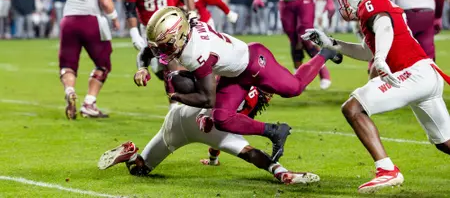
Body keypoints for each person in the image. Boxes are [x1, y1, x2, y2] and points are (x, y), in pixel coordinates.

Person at [302, 0, 450, 193]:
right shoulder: (377, 5)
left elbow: (384, 26)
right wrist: (329, 42)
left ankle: (386, 170)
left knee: (353, 108)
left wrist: (381, 59)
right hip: (424, 74)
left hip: (413, 74)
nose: (344, 1)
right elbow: (366, 51)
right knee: (445, 142)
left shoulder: (371, 4)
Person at [137, 6, 342, 163]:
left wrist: (177, 97)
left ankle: (326, 52)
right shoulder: (184, 28)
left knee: (295, 88)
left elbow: (208, 99)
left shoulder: (195, 52)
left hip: (254, 62)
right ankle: (274, 131)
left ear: (179, 35)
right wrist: (142, 68)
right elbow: (148, 51)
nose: (162, 52)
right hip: (233, 72)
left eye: (166, 46)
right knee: (222, 119)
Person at [98, 79, 320, 185]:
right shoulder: (252, 95)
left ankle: (132, 154)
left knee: (141, 169)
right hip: (209, 125)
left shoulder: (233, 73)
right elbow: (228, 121)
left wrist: (213, 159)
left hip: (180, 116)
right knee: (248, 151)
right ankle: (281, 172)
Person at [57, 0, 124, 119]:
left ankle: (70, 90)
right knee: (103, 64)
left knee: (67, 65)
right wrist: (115, 18)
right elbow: (105, 1)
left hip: (68, 19)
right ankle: (89, 103)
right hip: (91, 20)